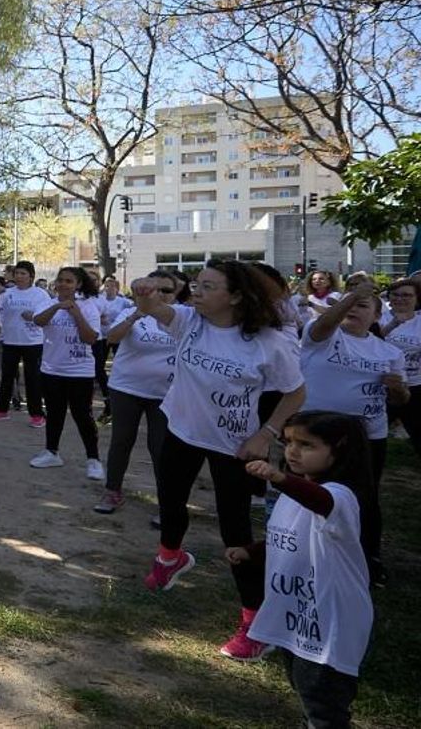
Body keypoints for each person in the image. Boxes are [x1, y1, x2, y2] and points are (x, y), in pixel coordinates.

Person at [131, 261, 306, 661]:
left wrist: (266, 434)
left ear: (236, 296)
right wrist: (144, 289)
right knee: (170, 503)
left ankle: (255, 624)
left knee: (235, 532)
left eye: (207, 286)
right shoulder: (190, 321)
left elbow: (296, 394)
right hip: (180, 431)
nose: (197, 290)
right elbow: (152, 307)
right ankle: (170, 559)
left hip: (233, 446)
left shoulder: (269, 343)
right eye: (196, 283)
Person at [227, 411, 373, 729]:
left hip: (330, 619)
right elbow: (291, 538)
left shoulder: (340, 497)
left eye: (307, 445)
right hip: (297, 613)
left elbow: (320, 502)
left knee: (324, 701)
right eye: (289, 442)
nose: (292, 451)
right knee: (303, 686)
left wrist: (280, 479)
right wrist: (251, 552)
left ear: (340, 449)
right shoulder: (294, 493)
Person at [299, 284, 406, 587]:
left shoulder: (388, 352)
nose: (354, 310)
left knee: (365, 498)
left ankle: (368, 557)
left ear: (375, 315)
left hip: (367, 434)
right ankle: (304, 553)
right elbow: (324, 323)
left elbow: (401, 400)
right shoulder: (320, 337)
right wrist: (349, 298)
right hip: (316, 430)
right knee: (310, 492)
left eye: (363, 306)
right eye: (349, 305)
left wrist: (397, 389)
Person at [96, 269, 186, 516]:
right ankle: (113, 491)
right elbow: (112, 338)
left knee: (160, 448)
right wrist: (136, 314)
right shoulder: (130, 312)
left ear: (175, 292)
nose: (159, 295)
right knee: (121, 441)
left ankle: (166, 501)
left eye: (166, 290)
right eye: (153, 289)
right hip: (126, 388)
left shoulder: (184, 317)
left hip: (165, 393)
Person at [28, 267, 104, 477]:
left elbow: (90, 338)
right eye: (60, 280)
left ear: (78, 284)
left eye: (69, 281)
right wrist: (58, 307)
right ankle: (52, 452)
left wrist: (76, 312)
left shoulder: (89, 307)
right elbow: (38, 321)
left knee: (83, 416)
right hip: (51, 369)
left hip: (80, 372)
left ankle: (93, 459)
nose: (63, 284)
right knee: (54, 413)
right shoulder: (48, 303)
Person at [0, 261, 48, 427]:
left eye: (23, 273)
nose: (19, 276)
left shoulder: (40, 294)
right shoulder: (7, 294)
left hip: (33, 341)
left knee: (32, 378)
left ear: (31, 276)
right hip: (10, 340)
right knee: (7, 377)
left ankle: (37, 414)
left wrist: (34, 315)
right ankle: (1, 410)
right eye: (17, 273)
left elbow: (47, 313)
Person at [379, 278, 421, 460]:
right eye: (395, 295)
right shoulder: (379, 316)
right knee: (373, 436)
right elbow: (370, 341)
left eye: (407, 295)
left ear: (416, 298)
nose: (400, 299)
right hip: (381, 387)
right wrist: (393, 324)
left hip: (415, 385)